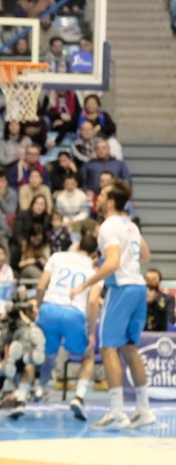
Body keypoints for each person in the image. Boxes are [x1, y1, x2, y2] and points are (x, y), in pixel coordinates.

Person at [72, 180, 155, 429]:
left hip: (121, 289)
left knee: (108, 348)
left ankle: (117, 411)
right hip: (139, 286)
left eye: (102, 195)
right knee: (130, 348)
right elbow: (146, 255)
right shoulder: (130, 224)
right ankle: (143, 410)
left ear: (110, 202)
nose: (97, 198)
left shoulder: (107, 226)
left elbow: (113, 263)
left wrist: (85, 284)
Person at [34, 234, 100, 420]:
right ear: (95, 253)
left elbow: (40, 287)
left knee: (47, 352)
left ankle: (40, 389)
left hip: (50, 308)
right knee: (88, 355)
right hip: (74, 312)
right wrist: (92, 332)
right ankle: (78, 397)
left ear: (78, 245)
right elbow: (94, 302)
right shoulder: (95, 269)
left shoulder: (57, 256)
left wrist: (38, 307)